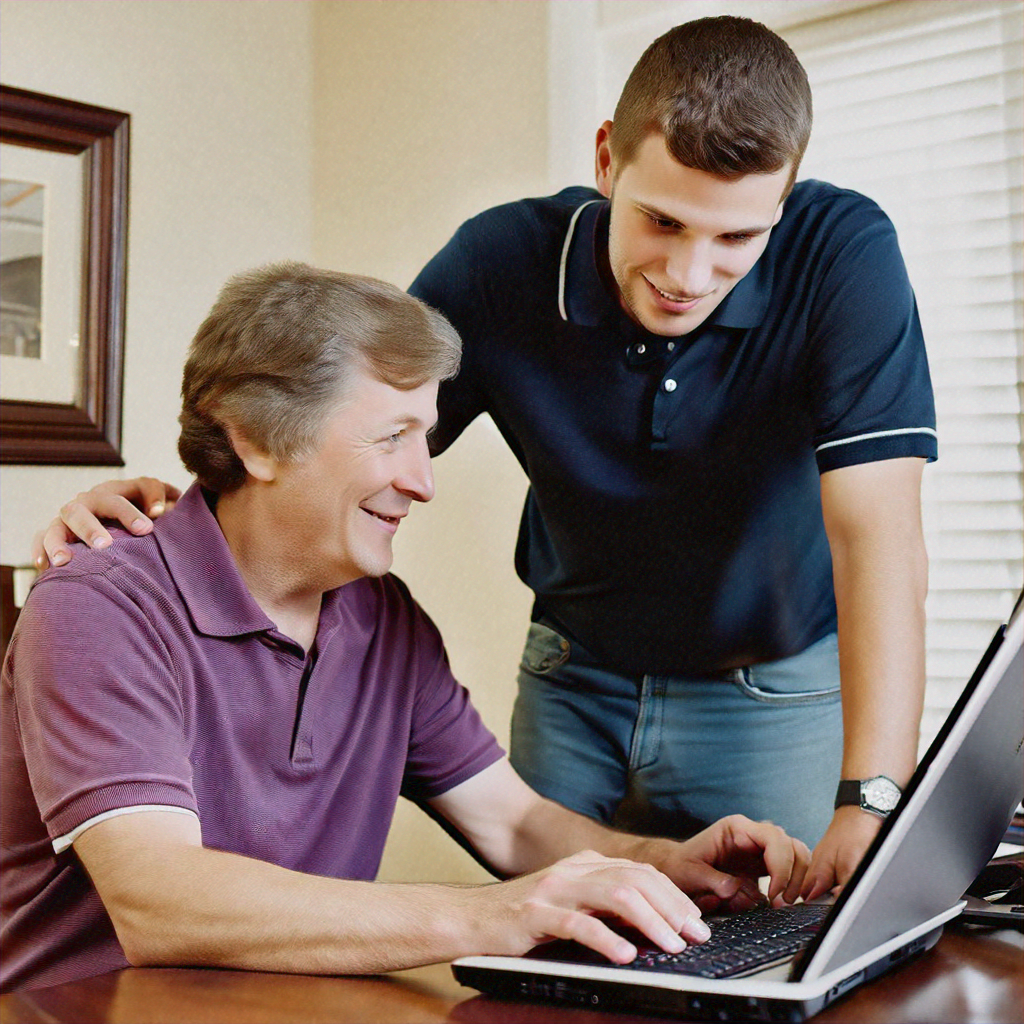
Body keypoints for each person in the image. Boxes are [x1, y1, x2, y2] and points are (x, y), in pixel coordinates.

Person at [31, 17, 935, 901]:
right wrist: (176, 504)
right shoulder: (502, 263)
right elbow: (337, 412)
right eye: (661, 221)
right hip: (576, 669)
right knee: (559, 951)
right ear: (605, 161)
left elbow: (878, 539)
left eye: (737, 238)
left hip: (769, 681)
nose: (689, 274)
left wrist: (871, 799)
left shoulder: (840, 254)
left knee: (764, 949)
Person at [0, 263, 810, 994]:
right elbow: (158, 900)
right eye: (392, 437)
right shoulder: (100, 605)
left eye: (424, 436)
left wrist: (662, 863)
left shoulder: (385, 620)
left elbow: (514, 821)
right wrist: (496, 915)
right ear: (253, 438)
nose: (423, 482)